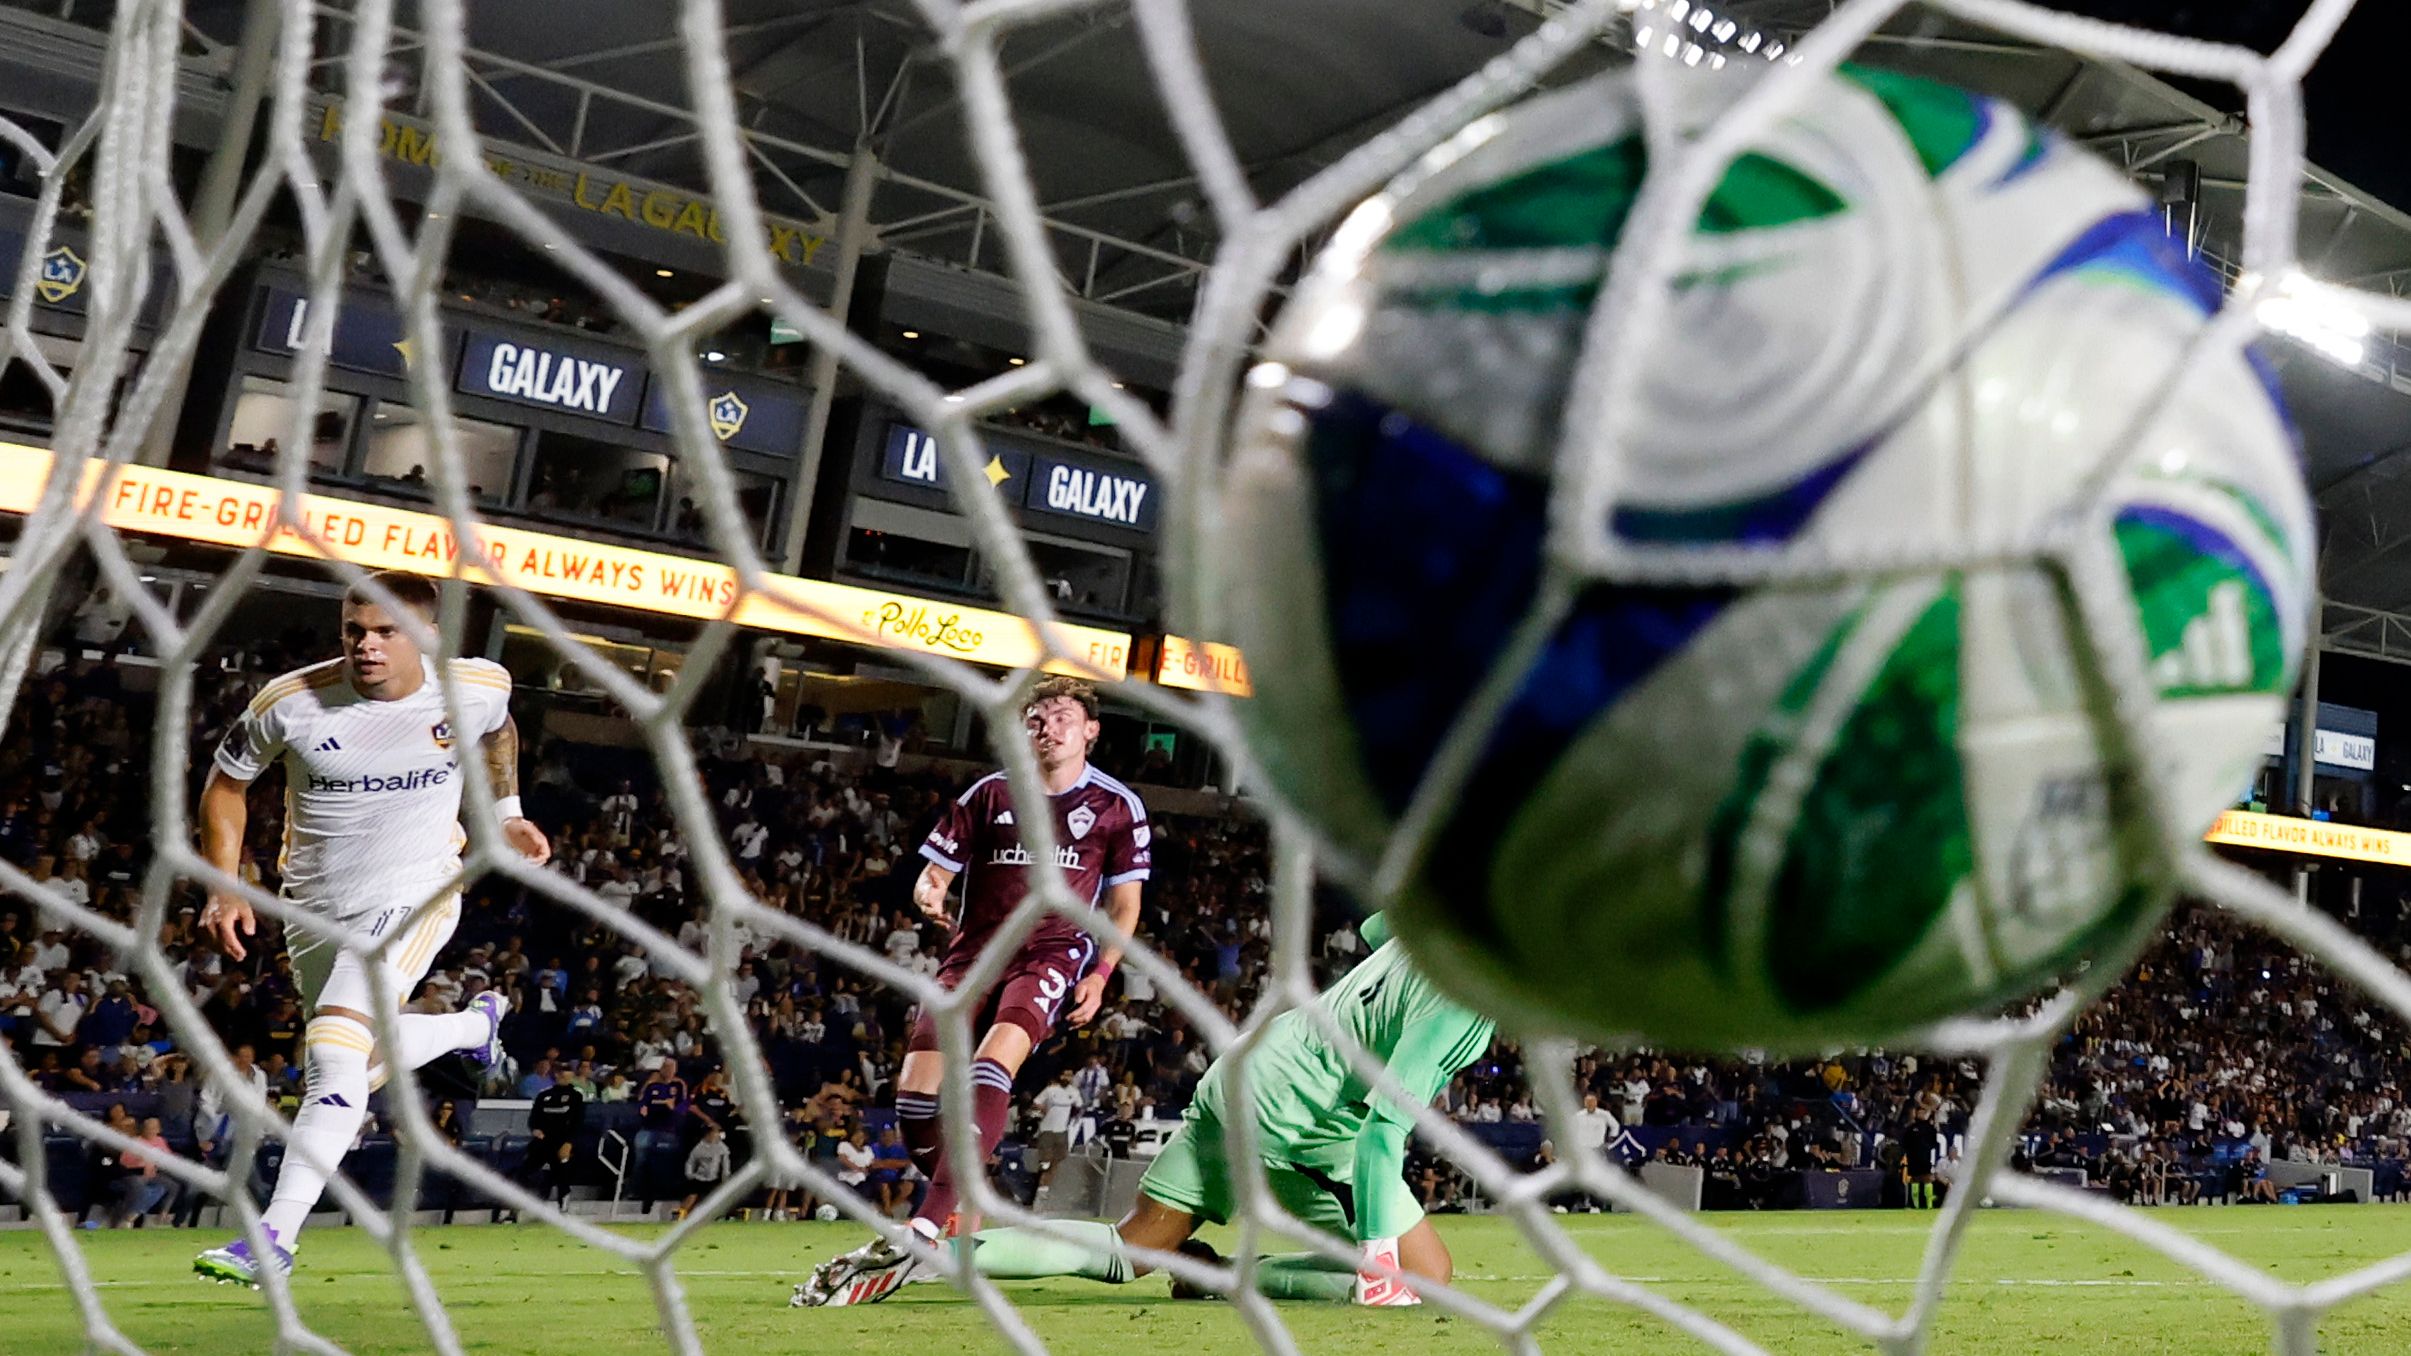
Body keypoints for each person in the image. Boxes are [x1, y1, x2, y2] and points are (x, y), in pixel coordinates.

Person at [794, 913, 1491, 1309]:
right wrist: (1375, 1265)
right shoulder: (1464, 1004)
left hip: (1243, 1074)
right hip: (1299, 1121)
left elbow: (1376, 925)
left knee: (1134, 1249)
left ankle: (933, 1253)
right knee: (1426, 1277)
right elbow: (1380, 1136)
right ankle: (1230, 1277)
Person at [192, 572, 551, 1287]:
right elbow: (226, 785)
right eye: (355, 630)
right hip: (316, 905)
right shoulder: (290, 704)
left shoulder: (474, 685)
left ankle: (273, 1239)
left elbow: (497, 724)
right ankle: (469, 1031)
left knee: (331, 1049)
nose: (366, 645)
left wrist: (506, 809)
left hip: (415, 891)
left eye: (386, 632)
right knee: (352, 1062)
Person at [807, 678, 1150, 1279]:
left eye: (1063, 716)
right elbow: (933, 873)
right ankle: (963, 1195)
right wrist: (929, 891)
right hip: (973, 954)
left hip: (1052, 951)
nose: (1049, 727)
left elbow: (1125, 907)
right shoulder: (990, 794)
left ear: (1091, 730)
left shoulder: (1116, 806)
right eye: (1037, 718)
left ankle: (924, 1223)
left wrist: (1100, 973)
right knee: (914, 1099)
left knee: (992, 1067)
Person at [1031, 1070, 1081, 1186]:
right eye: (1065, 1075)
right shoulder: (1050, 1090)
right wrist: (1043, 1110)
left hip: (1062, 1130)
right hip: (1047, 1129)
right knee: (1045, 1161)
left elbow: (1078, 1106)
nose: (1067, 1078)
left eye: (1069, 1076)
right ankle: (1037, 1185)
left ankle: (1046, 1185)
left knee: (1058, 1158)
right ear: (1060, 1075)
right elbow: (1036, 1102)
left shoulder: (1074, 1092)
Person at [680, 1126, 731, 1221]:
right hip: (699, 1177)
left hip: (713, 1179)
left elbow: (725, 1164)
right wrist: (689, 1174)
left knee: (715, 1198)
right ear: (708, 1134)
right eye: (714, 1134)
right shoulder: (699, 1147)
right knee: (692, 1196)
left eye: (717, 1134)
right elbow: (690, 1162)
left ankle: (716, 1217)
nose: (716, 1136)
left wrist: (725, 1177)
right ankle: (680, 1215)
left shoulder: (721, 1147)